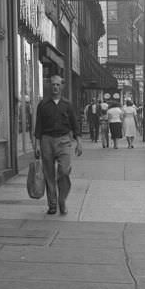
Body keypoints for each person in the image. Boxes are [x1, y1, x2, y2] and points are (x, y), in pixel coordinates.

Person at [34, 74, 82, 215]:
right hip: (46, 140)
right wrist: (37, 144)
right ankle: (53, 204)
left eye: (58, 84)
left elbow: (74, 124)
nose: (55, 87)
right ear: (49, 86)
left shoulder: (67, 105)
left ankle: (62, 199)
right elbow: (38, 126)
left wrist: (79, 141)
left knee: (64, 171)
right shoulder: (43, 104)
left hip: (63, 140)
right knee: (48, 173)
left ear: (62, 86)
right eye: (53, 84)